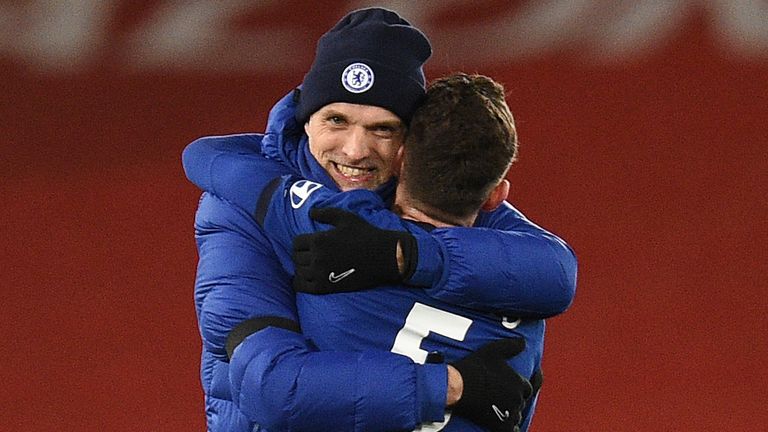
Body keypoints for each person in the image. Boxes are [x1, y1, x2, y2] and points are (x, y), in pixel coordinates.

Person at [183, 7, 577, 432]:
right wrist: (452, 385)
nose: (355, 150)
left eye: (382, 129)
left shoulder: (426, 192)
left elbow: (553, 271)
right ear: (306, 120)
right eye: (337, 120)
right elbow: (273, 385)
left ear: (408, 144)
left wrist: (409, 254)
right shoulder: (236, 211)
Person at [231, 72, 549, 431]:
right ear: (497, 196)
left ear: (399, 161)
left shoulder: (328, 258)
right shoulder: (528, 309)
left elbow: (271, 390)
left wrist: (297, 109)